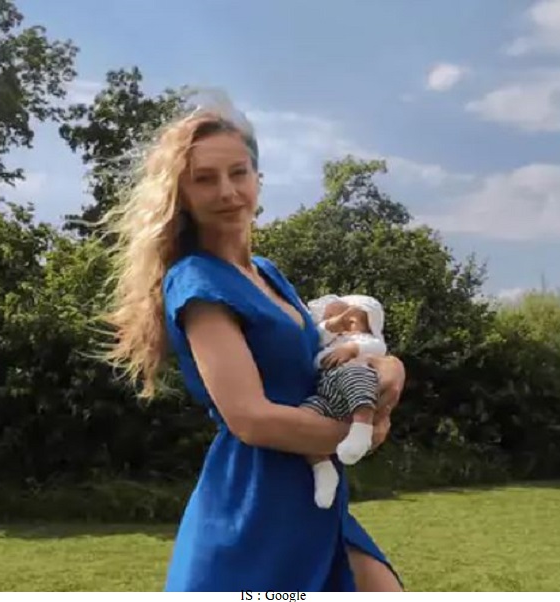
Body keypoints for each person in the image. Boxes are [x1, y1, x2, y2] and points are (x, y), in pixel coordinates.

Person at [99, 96, 406, 592]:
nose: (226, 191)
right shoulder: (197, 281)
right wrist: (360, 433)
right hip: (255, 507)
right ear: (181, 194)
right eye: (204, 179)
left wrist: (389, 368)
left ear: (258, 178)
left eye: (238, 173)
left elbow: (323, 360)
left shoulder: (266, 274)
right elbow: (251, 418)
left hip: (313, 501)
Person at [300, 294, 389, 509]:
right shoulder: (328, 342)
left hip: (353, 388)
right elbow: (317, 337)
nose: (336, 322)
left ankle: (361, 428)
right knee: (304, 416)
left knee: (356, 376)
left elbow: (378, 347)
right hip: (327, 396)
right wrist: (331, 328)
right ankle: (322, 467)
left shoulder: (364, 341)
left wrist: (352, 349)